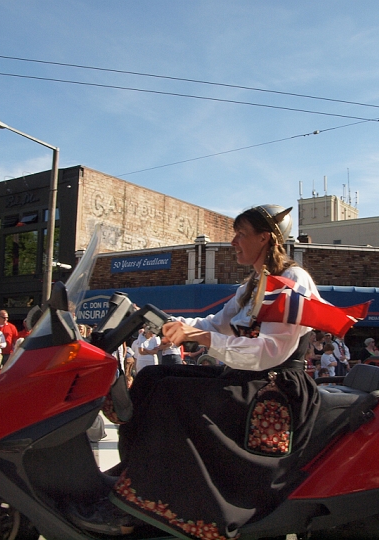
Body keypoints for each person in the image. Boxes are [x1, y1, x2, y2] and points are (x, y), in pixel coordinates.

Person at [72, 205, 321, 538]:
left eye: (241, 234)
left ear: (265, 237)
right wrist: (167, 323)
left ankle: (149, 506)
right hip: (246, 378)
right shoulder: (252, 285)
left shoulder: (293, 280)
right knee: (151, 378)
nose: (233, 241)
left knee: (171, 395)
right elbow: (213, 324)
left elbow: (269, 351)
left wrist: (201, 337)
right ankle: (132, 485)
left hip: (274, 385)